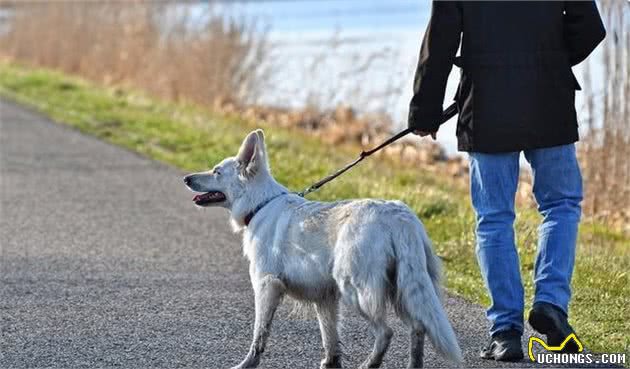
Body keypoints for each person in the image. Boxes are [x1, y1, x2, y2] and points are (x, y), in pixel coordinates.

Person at [408, 1, 606, 362]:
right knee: (561, 205)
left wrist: (425, 109)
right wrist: (551, 60)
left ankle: (505, 332)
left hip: (487, 106)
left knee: (494, 218)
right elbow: (590, 29)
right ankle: (551, 303)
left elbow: (440, 40)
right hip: (550, 99)